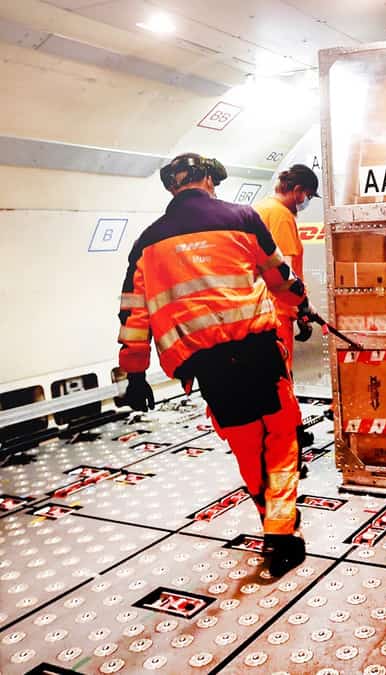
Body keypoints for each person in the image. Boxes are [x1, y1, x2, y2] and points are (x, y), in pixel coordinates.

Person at [116, 152, 312, 577]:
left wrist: (135, 373)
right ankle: (282, 533)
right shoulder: (242, 218)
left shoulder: (146, 242)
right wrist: (302, 305)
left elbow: (134, 314)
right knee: (279, 441)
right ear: (209, 181)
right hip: (260, 352)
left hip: (209, 367)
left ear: (171, 187)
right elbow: (279, 276)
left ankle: (271, 526)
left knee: (246, 446)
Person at [254, 164, 321, 460]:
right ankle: (287, 434)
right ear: (297, 190)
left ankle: (282, 429)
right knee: (282, 374)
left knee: (270, 374)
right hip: (277, 308)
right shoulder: (281, 215)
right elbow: (285, 271)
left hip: (262, 307)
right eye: (306, 195)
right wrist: (301, 306)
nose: (305, 201)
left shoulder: (260, 209)